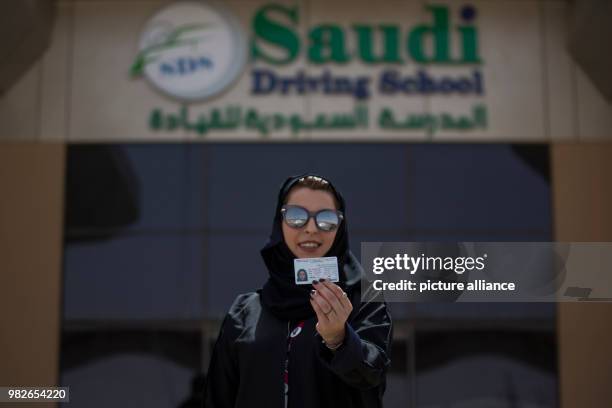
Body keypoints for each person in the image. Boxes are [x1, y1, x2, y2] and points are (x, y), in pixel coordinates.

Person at [203, 174, 393, 408]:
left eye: (326, 219)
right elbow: (218, 399)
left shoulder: (362, 299)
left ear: (340, 227)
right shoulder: (245, 312)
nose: (312, 229)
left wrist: (339, 340)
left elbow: (372, 377)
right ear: (279, 223)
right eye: (296, 217)